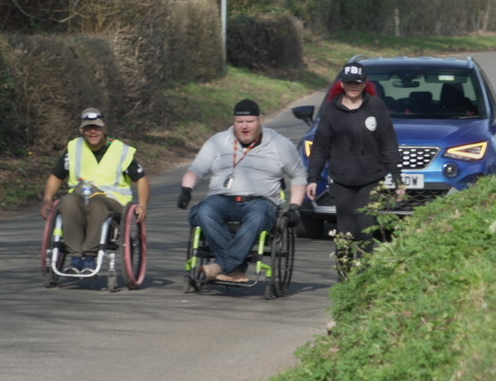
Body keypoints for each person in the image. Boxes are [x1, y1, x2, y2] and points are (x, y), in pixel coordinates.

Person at [177, 99, 306, 283]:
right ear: (234, 122)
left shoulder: (279, 144)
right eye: (240, 122)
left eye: (250, 122)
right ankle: (234, 269)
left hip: (261, 202)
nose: (244, 126)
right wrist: (186, 189)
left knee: (258, 215)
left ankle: (220, 266)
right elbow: (196, 169)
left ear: (260, 120)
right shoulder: (218, 141)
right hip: (222, 199)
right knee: (204, 211)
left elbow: (299, 175)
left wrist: (294, 206)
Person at [305, 61, 405, 267]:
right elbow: (320, 147)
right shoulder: (332, 112)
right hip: (342, 181)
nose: (353, 86)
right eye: (349, 82)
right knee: (346, 232)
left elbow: (388, 143)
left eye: (357, 83)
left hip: (371, 179)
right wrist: (313, 178)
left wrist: (397, 177)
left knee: (366, 229)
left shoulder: (376, 107)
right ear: (342, 84)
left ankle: (364, 276)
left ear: (364, 84)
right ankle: (345, 274)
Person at [40, 107, 150, 274]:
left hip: (113, 202)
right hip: (80, 199)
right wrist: (48, 199)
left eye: (96, 127)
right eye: (88, 128)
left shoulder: (121, 151)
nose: (92, 132)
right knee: (67, 201)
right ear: (81, 130)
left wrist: (142, 205)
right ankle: (76, 257)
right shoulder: (74, 148)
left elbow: (141, 180)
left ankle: (90, 256)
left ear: (104, 128)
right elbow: (56, 176)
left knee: (97, 203)